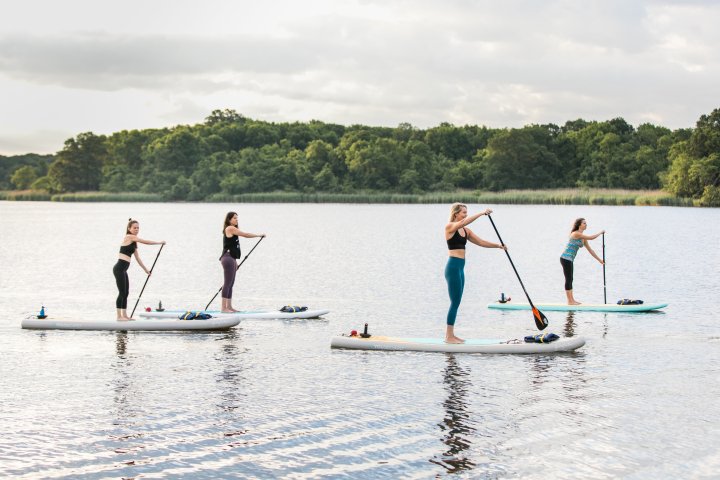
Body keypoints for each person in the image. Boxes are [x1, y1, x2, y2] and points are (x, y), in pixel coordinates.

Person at [444, 203, 506, 344]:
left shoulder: (466, 231)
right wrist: (481, 213)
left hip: (461, 268)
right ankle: (448, 337)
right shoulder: (449, 227)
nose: (465, 214)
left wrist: (498, 246)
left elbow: (481, 242)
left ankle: (452, 335)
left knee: (457, 301)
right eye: (463, 212)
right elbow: (464, 222)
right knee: (454, 302)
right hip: (453, 267)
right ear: (456, 214)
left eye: (466, 212)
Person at [113, 218, 166, 320]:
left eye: (138, 228)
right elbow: (145, 242)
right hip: (119, 268)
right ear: (129, 228)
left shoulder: (134, 242)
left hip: (123, 270)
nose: (136, 229)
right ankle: (119, 316)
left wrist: (146, 270)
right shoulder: (129, 237)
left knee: (126, 292)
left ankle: (125, 316)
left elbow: (137, 258)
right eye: (134, 228)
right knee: (122, 292)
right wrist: (159, 242)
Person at [220, 212, 265, 313]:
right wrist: (258, 235)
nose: (237, 220)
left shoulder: (233, 229)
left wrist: (235, 262)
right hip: (227, 258)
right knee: (227, 283)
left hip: (231, 258)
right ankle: (223, 308)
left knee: (231, 284)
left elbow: (232, 247)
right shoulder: (230, 228)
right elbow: (245, 234)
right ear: (229, 220)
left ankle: (229, 307)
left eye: (237, 218)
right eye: (234, 218)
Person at [560, 218, 605, 305]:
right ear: (579, 225)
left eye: (586, 223)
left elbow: (590, 250)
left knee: (571, 279)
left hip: (569, 260)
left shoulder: (583, 238)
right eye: (584, 223)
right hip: (565, 258)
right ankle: (570, 301)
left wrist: (600, 260)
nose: (586, 224)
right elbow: (592, 238)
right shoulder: (576, 234)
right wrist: (600, 233)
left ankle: (572, 300)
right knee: (568, 279)